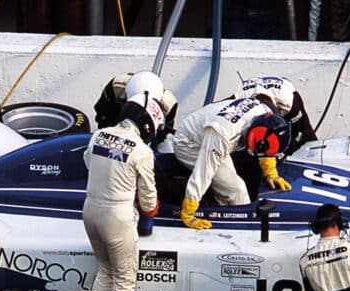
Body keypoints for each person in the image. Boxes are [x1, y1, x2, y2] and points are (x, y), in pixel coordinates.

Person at [82, 94, 163, 291]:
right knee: (125, 277)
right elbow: (149, 199)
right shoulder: (142, 151)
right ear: (149, 125)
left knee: (105, 270)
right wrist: (149, 212)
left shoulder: (99, 135)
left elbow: (87, 162)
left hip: (90, 211)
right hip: (117, 217)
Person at [172, 97, 292, 230]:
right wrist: (189, 210)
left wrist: (271, 172)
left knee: (228, 185)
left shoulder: (265, 112)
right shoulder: (224, 135)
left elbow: (266, 142)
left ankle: (222, 209)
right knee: (236, 190)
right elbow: (204, 172)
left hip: (208, 130)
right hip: (189, 143)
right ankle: (241, 228)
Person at [93, 71, 178, 146]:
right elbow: (102, 115)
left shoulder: (168, 105)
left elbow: (160, 136)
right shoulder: (117, 86)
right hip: (114, 129)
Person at [235, 76, 318, 151]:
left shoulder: (289, 101)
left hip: (282, 91)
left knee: (305, 133)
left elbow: (303, 132)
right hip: (248, 93)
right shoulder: (237, 100)